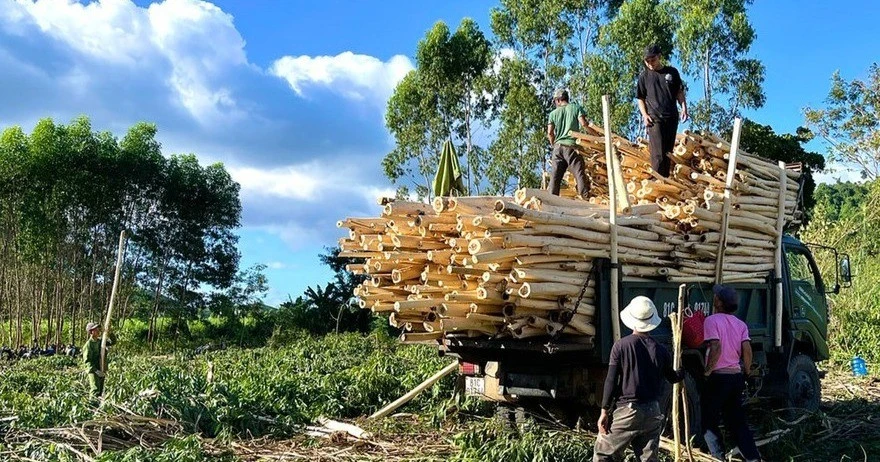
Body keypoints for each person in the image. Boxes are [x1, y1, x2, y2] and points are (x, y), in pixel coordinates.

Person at [593, 296, 683, 462]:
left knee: (604, 454)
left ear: (631, 320)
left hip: (628, 411)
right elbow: (673, 377)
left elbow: (611, 381)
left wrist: (604, 411)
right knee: (648, 459)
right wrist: (682, 372)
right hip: (653, 412)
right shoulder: (661, 350)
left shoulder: (621, 346)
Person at [701, 285, 761, 462]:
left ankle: (718, 457)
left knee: (709, 421)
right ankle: (752, 458)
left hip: (718, 377)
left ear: (718, 302)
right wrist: (748, 371)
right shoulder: (740, 324)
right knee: (737, 422)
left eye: (716, 297)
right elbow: (747, 350)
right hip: (735, 377)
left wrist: (707, 372)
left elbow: (716, 347)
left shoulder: (711, 321)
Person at [636, 44, 688, 177]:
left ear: (659, 56)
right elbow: (640, 98)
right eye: (647, 61)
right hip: (654, 119)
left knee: (667, 153)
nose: (650, 63)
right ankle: (656, 180)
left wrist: (684, 108)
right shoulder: (644, 77)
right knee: (657, 153)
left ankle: (665, 181)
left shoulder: (672, 72)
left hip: (671, 117)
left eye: (652, 60)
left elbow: (679, 92)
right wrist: (644, 115)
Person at [547, 88, 591, 198]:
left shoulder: (553, 113)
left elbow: (550, 133)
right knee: (579, 173)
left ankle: (552, 201)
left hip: (558, 148)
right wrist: (596, 136)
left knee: (555, 178)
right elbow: (584, 124)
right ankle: (585, 198)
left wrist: (554, 145)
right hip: (572, 147)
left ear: (558, 100)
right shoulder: (576, 108)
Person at [82, 322, 110, 398]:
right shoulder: (89, 344)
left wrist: (109, 332)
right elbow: (87, 361)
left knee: (100, 390)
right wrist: (95, 371)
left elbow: (112, 342)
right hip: (93, 370)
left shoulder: (101, 341)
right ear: (91, 332)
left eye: (98, 329)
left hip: (101, 368)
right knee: (95, 389)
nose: (98, 330)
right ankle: (91, 406)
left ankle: (97, 407)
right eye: (96, 329)